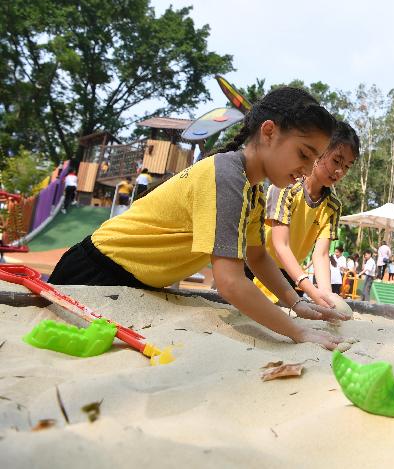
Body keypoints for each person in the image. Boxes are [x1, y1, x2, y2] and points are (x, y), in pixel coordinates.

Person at [48, 87, 347, 350]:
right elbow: (230, 283)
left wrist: (295, 302)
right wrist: (297, 332)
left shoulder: (252, 190)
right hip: (96, 273)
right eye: (304, 154)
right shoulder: (228, 175)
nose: (308, 169)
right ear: (268, 132)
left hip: (133, 284)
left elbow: (257, 256)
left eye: (313, 159)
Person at [252, 121, 359, 308]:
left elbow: (321, 254)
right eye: (336, 160)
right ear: (320, 153)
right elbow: (280, 245)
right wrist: (308, 287)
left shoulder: (333, 206)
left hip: (288, 274)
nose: (340, 171)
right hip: (257, 266)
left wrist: (326, 295)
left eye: (347, 166)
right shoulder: (287, 185)